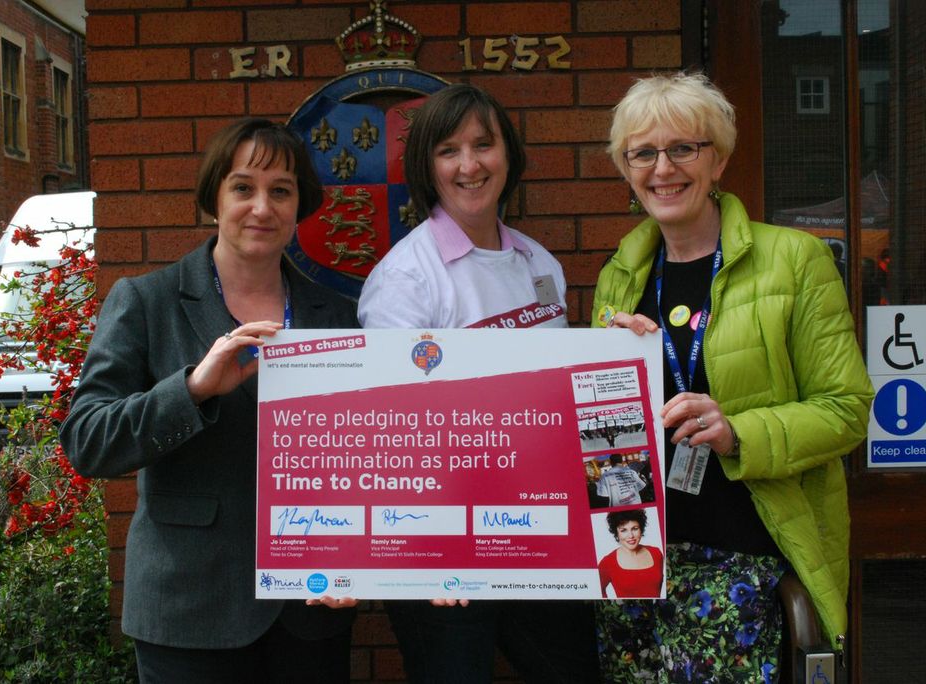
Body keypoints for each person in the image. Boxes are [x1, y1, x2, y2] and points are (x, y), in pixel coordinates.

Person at [592, 72, 872, 682]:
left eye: (683, 148)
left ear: (716, 160)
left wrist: (737, 430)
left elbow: (848, 409)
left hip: (742, 563)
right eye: (643, 153)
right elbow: (607, 437)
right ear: (627, 170)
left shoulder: (793, 260)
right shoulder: (620, 274)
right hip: (634, 561)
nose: (663, 168)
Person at [59, 119, 358, 683]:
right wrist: (192, 389)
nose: (262, 207)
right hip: (189, 610)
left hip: (310, 613)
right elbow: (87, 440)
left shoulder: (336, 314)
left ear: (300, 206)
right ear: (214, 199)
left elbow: (363, 456)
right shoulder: (147, 301)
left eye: (281, 190)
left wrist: (360, 553)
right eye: (243, 187)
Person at [358, 83, 598, 683]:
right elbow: (392, 431)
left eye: (484, 145)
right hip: (444, 553)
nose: (469, 165)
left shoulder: (540, 263)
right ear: (426, 167)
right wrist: (436, 555)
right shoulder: (405, 279)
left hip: (538, 535)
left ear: (508, 156)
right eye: (448, 150)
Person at [597, 510, 664, 599]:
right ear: (617, 533)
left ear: (641, 529)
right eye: (624, 530)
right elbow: (597, 591)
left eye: (635, 528)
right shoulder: (607, 562)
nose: (630, 536)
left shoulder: (656, 553)